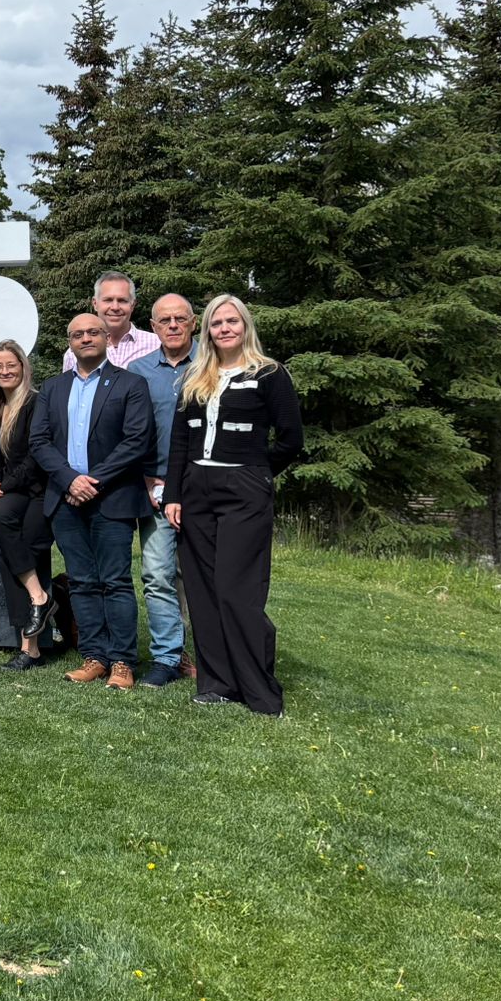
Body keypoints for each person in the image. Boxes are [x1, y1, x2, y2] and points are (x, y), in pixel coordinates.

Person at [165, 294, 303, 716]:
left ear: (245, 326)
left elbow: (291, 440)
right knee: (203, 591)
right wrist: (173, 494)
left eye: (232, 322)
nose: (224, 329)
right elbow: (179, 444)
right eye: (216, 323)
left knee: (236, 589)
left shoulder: (270, 374)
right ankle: (219, 684)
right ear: (206, 330)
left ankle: (260, 691)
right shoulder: (195, 377)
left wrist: (256, 473)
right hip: (195, 489)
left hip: (243, 486)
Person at [30, 313, 154, 689]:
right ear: (69, 342)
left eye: (93, 332)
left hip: (112, 499)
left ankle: (122, 662)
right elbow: (40, 441)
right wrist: (70, 479)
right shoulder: (52, 388)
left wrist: (92, 481)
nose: (86, 338)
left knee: (115, 581)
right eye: (77, 334)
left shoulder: (131, 384)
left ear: (106, 338)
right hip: (65, 499)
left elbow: (136, 441)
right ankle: (95, 657)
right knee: (82, 581)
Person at [124, 293, 199, 687]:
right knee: (157, 575)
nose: (172, 325)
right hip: (155, 490)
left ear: (193, 322)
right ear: (153, 327)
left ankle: (212, 653)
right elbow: (132, 434)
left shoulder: (212, 363)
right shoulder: (138, 372)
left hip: (205, 490)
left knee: (206, 575)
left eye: (180, 319)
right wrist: (145, 478)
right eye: (164, 320)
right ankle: (167, 656)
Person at [0, 339, 58, 671]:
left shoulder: (36, 404)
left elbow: (35, 459)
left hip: (38, 490)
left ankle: (32, 639)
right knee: (6, 533)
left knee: (24, 548)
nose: (5, 371)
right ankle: (37, 615)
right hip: (14, 491)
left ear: (23, 367)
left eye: (11, 365)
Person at [60, 270, 159, 372]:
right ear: (95, 304)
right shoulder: (75, 353)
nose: (115, 307)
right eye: (108, 300)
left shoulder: (156, 344)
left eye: (122, 300)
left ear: (132, 305)